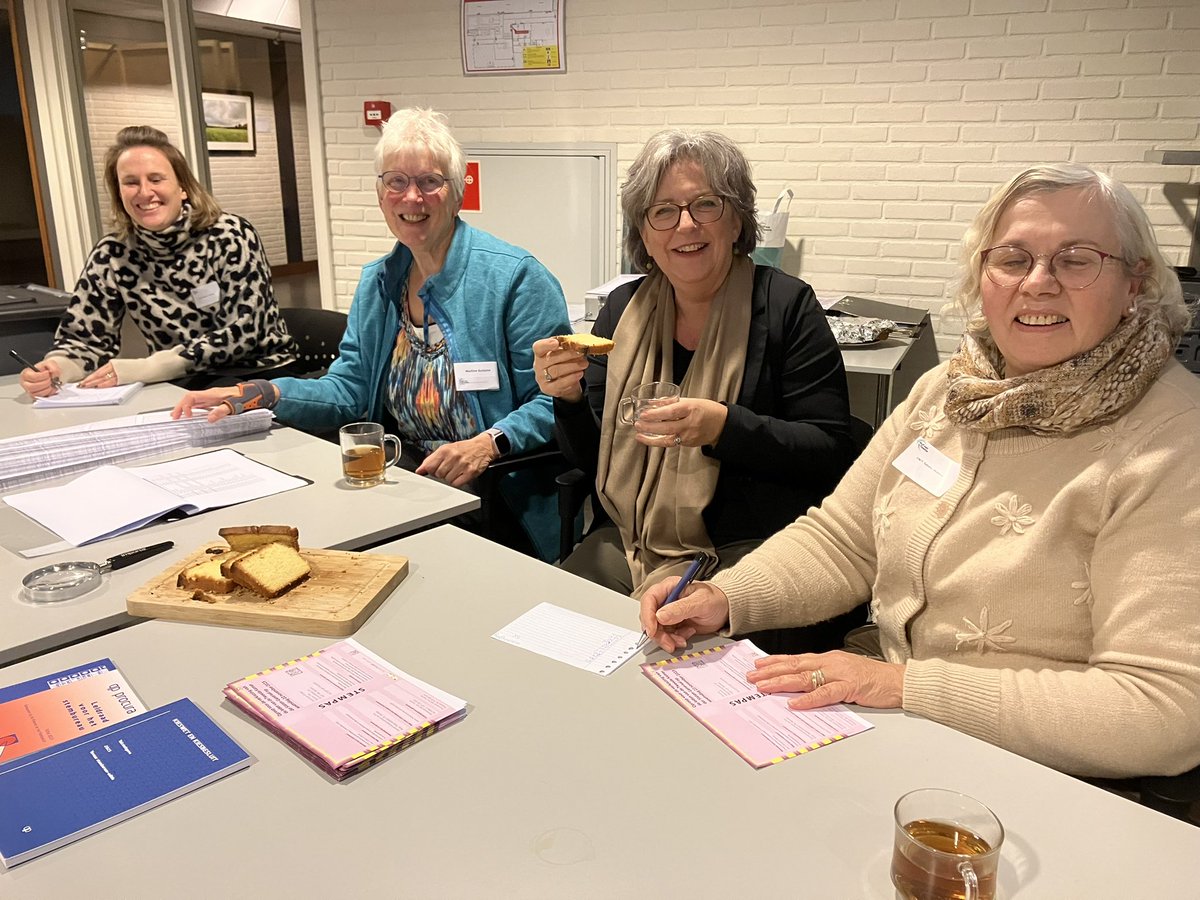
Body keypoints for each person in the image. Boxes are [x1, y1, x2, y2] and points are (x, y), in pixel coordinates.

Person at [641, 163, 1200, 779]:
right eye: (1012, 259)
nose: (1038, 283)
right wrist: (726, 597)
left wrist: (905, 687)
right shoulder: (949, 393)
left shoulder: (1173, 439)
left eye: (1077, 259)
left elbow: (1166, 711)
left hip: (1048, 779)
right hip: (907, 733)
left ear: (1135, 283)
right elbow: (845, 542)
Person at [173, 108, 571, 560]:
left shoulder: (515, 279)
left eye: (429, 182)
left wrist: (488, 443)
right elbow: (348, 390)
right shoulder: (379, 283)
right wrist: (263, 393)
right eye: (396, 182)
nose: (412, 198)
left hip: (498, 499)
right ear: (381, 194)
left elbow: (554, 399)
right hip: (403, 485)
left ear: (457, 192)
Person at [534, 129, 856, 646]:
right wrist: (567, 400)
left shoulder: (786, 307)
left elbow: (830, 451)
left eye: (704, 204)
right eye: (662, 211)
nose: (685, 225)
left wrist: (725, 427)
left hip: (748, 551)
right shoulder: (622, 312)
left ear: (736, 219)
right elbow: (594, 456)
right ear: (644, 232)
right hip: (630, 542)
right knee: (553, 639)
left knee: (685, 684)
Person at [18, 126, 296, 398]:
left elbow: (242, 333)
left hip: (257, 377)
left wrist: (147, 367)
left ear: (183, 187)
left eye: (156, 179)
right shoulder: (114, 253)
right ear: (119, 193)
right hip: (179, 382)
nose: (144, 192)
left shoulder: (229, 235)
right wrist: (57, 368)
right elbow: (84, 338)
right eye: (130, 182)